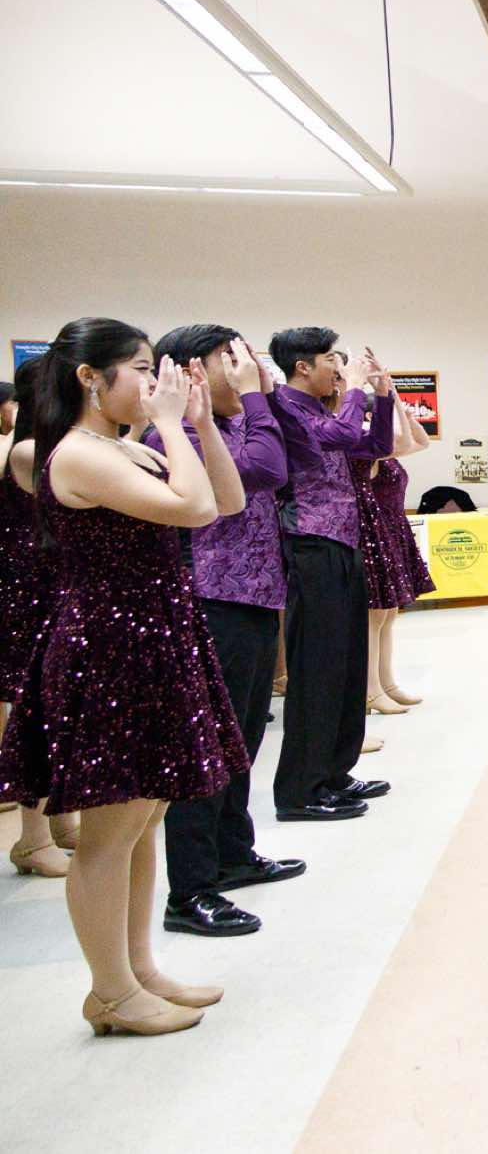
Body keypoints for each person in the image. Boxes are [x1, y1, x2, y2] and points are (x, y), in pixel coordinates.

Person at [0, 319, 252, 1038]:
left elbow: (227, 501)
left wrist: (200, 425)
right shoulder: (77, 454)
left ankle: (138, 967)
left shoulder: (123, 447)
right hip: (111, 649)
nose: (152, 381)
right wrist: (169, 423)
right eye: (141, 368)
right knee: (110, 833)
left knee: (143, 823)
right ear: (90, 377)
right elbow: (193, 509)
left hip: (152, 639)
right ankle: (109, 990)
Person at [144, 326, 304, 938]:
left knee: (242, 740)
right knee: (208, 747)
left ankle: (234, 854)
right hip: (212, 598)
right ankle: (191, 889)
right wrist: (256, 397)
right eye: (227, 358)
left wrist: (260, 396)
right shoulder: (177, 433)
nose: (244, 367)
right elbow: (266, 469)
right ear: (190, 371)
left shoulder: (231, 422)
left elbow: (290, 459)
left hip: (256, 595)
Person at [267, 327, 393, 822]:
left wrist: (383, 397)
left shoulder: (323, 409)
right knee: (317, 669)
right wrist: (356, 388)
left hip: (343, 543)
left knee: (346, 664)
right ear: (302, 366)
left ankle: (336, 772)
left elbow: (374, 444)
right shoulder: (284, 407)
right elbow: (339, 437)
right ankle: (301, 788)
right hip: (309, 544)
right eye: (330, 362)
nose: (339, 372)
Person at [1, 356, 75, 877]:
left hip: (52, 583)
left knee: (59, 707)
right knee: (37, 712)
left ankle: (60, 820)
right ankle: (32, 838)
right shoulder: (29, 451)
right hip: (28, 589)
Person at [355, 397, 436, 718]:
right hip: (373, 533)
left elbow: (422, 440)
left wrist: (402, 409)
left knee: (389, 614)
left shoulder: (383, 448)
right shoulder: (367, 446)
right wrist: (388, 400)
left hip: (392, 531)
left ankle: (387, 683)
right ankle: (370, 690)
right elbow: (404, 439)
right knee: (374, 616)